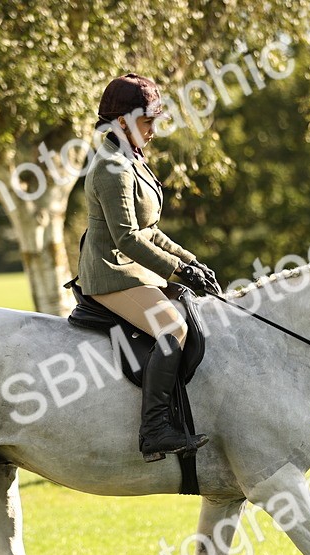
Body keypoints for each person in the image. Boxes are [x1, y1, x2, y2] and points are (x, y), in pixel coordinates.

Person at [78, 73, 221, 462]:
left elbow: (151, 230)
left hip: (134, 270)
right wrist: (177, 270)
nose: (154, 130)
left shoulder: (132, 160)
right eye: (147, 121)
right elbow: (127, 238)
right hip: (111, 272)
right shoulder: (112, 167)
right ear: (122, 121)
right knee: (172, 327)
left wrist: (191, 262)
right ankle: (155, 428)